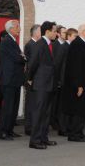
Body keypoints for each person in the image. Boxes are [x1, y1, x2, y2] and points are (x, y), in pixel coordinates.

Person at [62, 24, 85, 142]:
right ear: (82, 31)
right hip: (80, 85)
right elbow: (75, 67)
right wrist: (78, 85)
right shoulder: (77, 45)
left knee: (83, 110)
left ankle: (79, 132)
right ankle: (74, 134)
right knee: (78, 110)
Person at [28, 21, 58, 150]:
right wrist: (29, 78)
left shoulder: (50, 44)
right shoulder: (40, 44)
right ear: (47, 31)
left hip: (49, 84)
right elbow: (32, 63)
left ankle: (43, 138)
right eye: (55, 31)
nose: (56, 33)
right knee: (39, 113)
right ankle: (34, 141)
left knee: (46, 114)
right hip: (41, 84)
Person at [0, 20, 26, 140]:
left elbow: (20, 57)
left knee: (14, 107)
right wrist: (23, 58)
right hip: (8, 79)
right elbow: (17, 58)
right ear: (11, 29)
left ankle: (9, 130)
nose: (19, 29)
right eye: (17, 27)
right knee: (8, 107)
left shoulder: (13, 41)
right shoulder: (7, 41)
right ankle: (2, 132)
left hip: (15, 79)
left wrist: (22, 57)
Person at [57, 28, 78, 136]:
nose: (76, 38)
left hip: (71, 82)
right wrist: (59, 80)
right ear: (69, 36)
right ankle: (62, 128)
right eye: (75, 36)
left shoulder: (73, 48)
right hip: (64, 81)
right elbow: (58, 64)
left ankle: (69, 127)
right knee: (63, 106)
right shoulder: (63, 47)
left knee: (69, 105)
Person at [23, 24, 41, 135]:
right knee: (30, 104)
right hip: (31, 79)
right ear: (35, 32)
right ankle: (28, 127)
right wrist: (29, 78)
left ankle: (35, 125)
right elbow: (30, 64)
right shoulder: (30, 44)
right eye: (40, 30)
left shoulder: (38, 44)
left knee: (36, 104)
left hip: (37, 79)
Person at [50, 25, 67, 130]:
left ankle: (60, 122)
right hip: (55, 79)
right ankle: (53, 121)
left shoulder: (67, 45)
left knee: (61, 103)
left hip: (64, 79)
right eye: (64, 32)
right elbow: (54, 64)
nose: (66, 34)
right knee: (54, 103)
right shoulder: (53, 45)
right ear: (58, 34)